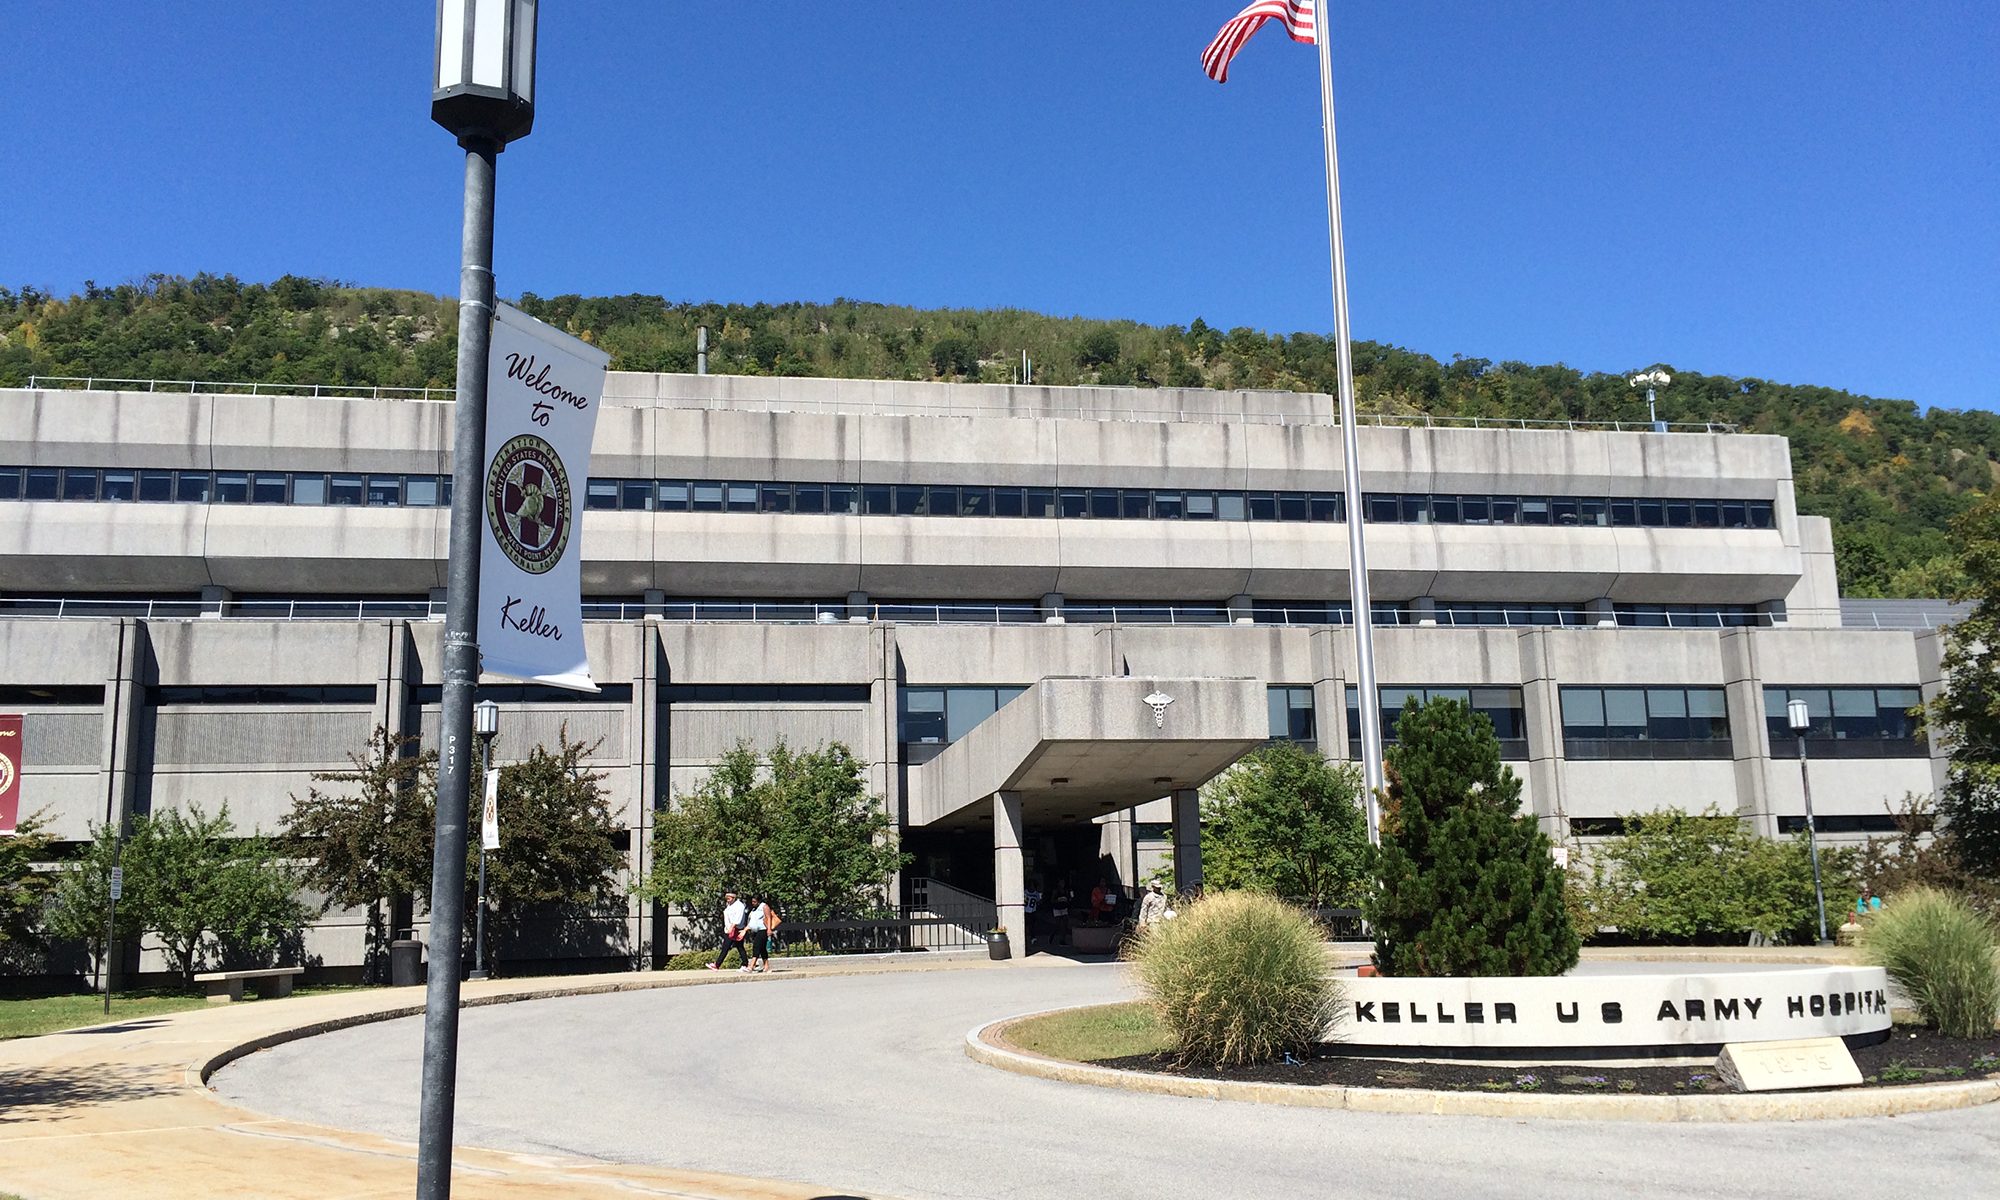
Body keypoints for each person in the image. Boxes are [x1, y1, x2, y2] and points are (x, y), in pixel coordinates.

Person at [706, 890, 750, 971]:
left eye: (729, 898)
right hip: (729, 928)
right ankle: (745, 964)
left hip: (735, 929)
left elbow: (738, 919)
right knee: (739, 947)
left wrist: (731, 927)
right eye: (726, 898)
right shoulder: (729, 905)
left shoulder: (739, 906)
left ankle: (717, 965)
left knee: (727, 947)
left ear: (734, 898)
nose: (727, 900)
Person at [747, 895, 780, 973]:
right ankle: (766, 966)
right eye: (752, 901)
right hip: (756, 931)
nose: (753, 903)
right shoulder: (754, 909)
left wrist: (769, 929)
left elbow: (768, 918)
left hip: (763, 929)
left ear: (759, 901)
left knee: (756, 946)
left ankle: (752, 965)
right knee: (762, 949)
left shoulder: (764, 907)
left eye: (755, 901)